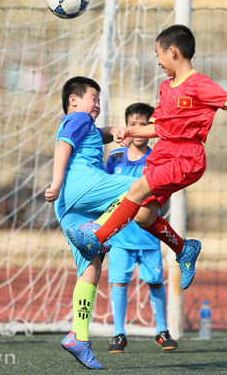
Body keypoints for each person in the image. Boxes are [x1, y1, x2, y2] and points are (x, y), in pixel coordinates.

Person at [65, 24, 227, 291]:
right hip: (162, 154)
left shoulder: (199, 84)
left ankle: (97, 239)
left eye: (158, 54)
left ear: (173, 51)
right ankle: (184, 249)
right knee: (143, 217)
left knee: (135, 190)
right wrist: (129, 130)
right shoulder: (166, 88)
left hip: (186, 158)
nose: (157, 60)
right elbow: (158, 127)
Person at [45, 77, 144, 369]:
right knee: (141, 186)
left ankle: (80, 337)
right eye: (93, 98)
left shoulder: (86, 125)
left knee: (92, 266)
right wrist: (58, 178)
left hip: (68, 207)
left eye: (99, 100)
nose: (97, 104)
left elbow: (93, 134)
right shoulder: (76, 118)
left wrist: (111, 131)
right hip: (82, 185)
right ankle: (99, 226)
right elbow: (64, 145)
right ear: (74, 101)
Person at [105, 103, 177, 353]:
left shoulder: (157, 158)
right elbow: (106, 196)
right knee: (120, 283)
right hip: (121, 237)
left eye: (143, 124)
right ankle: (118, 334)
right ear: (125, 126)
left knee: (156, 282)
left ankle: (162, 330)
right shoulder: (114, 158)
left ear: (151, 128)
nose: (137, 129)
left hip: (148, 236)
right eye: (132, 124)